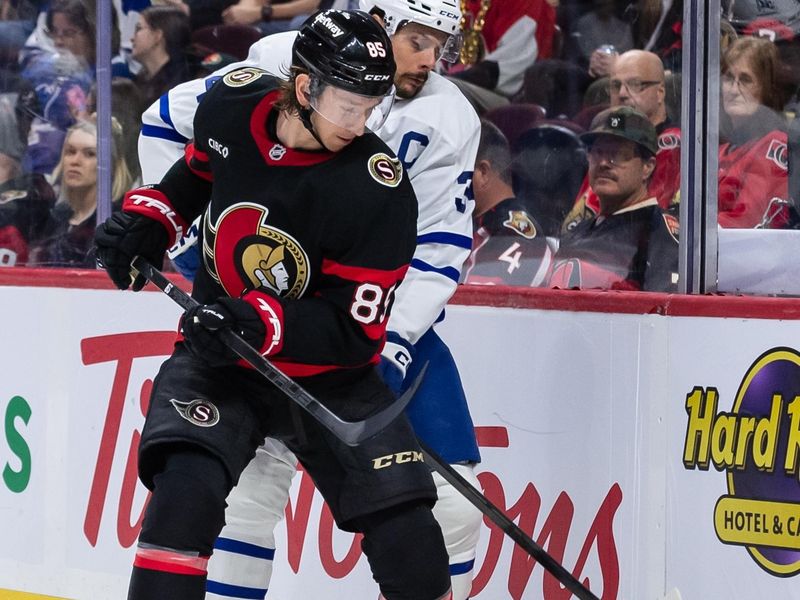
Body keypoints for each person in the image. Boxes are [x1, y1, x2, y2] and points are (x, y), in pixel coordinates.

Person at [96, 9, 455, 600]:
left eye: (373, 108)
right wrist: (150, 221)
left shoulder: (378, 190)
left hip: (330, 380)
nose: (361, 122)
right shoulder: (232, 106)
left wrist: (260, 320)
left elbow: (356, 333)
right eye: (350, 106)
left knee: (409, 538)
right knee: (182, 497)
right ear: (305, 85)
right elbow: (196, 175)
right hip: (221, 362)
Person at [547, 106, 680, 291]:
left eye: (617, 155)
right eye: (598, 152)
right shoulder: (578, 230)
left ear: (647, 167)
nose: (603, 163)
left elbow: (662, 310)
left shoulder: (656, 229)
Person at [562, 49, 681, 232]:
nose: (623, 93)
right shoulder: (603, 143)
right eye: (616, 85)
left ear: (660, 92)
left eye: (634, 84)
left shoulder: (677, 147)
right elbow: (575, 221)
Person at [462, 119, 556, 286]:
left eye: (455, 170)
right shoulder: (468, 226)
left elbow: (479, 306)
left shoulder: (513, 235)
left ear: (482, 173)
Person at [31, 116, 131, 267]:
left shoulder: (120, 222)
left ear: (110, 164)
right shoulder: (54, 217)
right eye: (70, 152)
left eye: (89, 154)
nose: (75, 161)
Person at [718, 36, 791, 228]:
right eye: (728, 78)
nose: (734, 89)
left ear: (767, 88)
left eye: (745, 80)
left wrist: (685, 229)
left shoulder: (775, 145)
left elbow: (746, 220)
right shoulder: (719, 150)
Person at [444, 0, 556, 113]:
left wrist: (442, 79)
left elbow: (497, 72)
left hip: (506, 97)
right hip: (467, 81)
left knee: (444, 89)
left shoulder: (527, 4)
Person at [131, 5, 192, 109]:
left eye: (139, 29)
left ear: (157, 36)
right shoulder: (140, 80)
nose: (132, 38)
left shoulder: (182, 87)